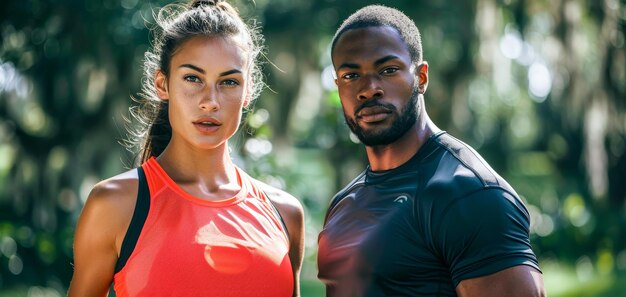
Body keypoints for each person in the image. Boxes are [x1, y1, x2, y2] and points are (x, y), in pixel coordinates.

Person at [68, 0, 304, 296]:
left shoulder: (285, 213)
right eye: (193, 78)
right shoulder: (116, 205)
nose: (210, 101)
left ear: (248, 92)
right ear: (162, 84)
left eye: (229, 82)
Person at [317, 5, 545, 297]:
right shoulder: (343, 203)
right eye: (351, 76)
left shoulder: (468, 193)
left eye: (388, 70)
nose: (369, 88)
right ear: (338, 87)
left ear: (421, 77)